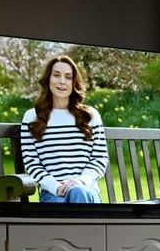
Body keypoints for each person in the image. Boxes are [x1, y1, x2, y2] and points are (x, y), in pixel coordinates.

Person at [21, 55, 109, 203]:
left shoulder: (90, 116)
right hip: (52, 194)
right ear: (48, 79)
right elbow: (32, 162)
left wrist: (80, 181)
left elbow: (99, 158)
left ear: (74, 82)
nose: (62, 81)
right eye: (56, 75)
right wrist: (56, 187)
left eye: (68, 77)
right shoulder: (32, 117)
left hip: (86, 191)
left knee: (78, 192)